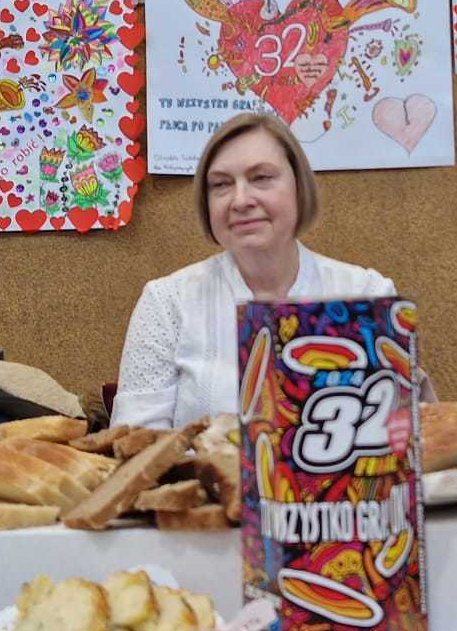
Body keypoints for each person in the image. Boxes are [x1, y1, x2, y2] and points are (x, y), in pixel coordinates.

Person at [112, 111, 423, 430]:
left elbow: (403, 434)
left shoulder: (369, 294)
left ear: (299, 187)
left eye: (261, 178)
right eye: (221, 184)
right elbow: (133, 447)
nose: (241, 200)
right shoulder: (167, 302)